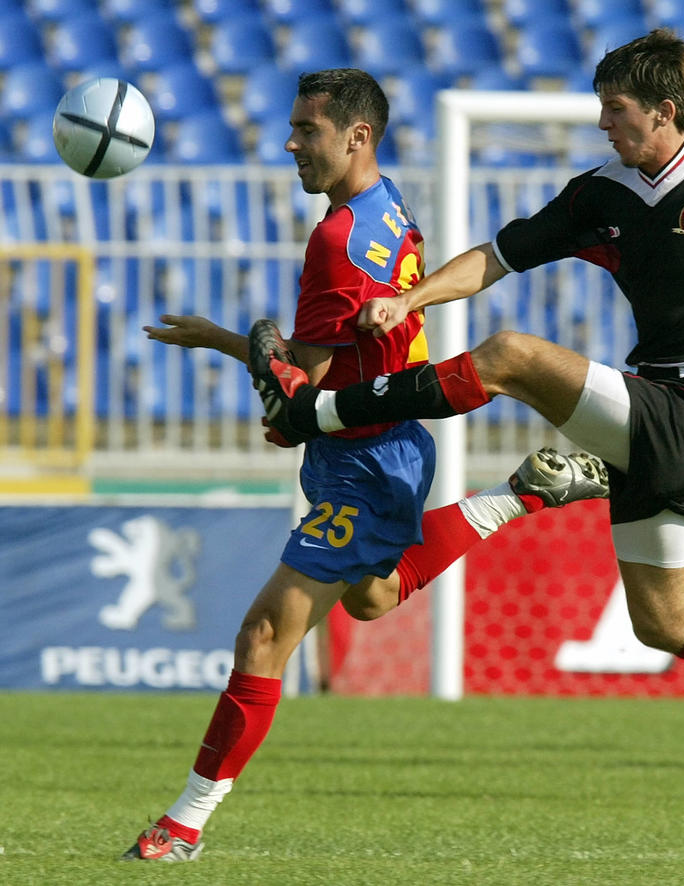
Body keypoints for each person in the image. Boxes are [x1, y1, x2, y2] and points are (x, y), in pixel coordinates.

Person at [252, 30, 684, 806]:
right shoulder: (603, 193)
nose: (602, 123)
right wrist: (411, 299)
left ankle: (320, 412)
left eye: (614, 109)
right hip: (648, 415)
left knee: (512, 356)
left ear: (664, 112)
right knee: (664, 623)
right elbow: (497, 255)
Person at [121, 68, 609, 863]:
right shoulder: (385, 210)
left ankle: (183, 823)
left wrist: (263, 368)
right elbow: (332, 351)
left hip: (361, 457)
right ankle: (523, 493)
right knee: (375, 596)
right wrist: (235, 342)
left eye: (305, 130)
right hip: (386, 444)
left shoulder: (336, 239)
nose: (289, 144)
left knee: (263, 636)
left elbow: (298, 394)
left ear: (357, 137)